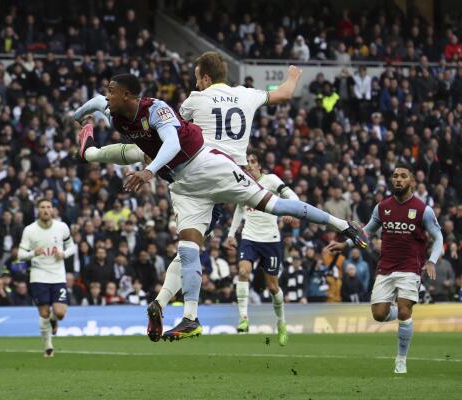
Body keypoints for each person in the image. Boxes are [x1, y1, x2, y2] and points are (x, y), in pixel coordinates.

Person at [74, 68, 366, 342]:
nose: (107, 95)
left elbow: (173, 144)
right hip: (184, 187)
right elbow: (97, 102)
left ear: (126, 94)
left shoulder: (156, 108)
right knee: (187, 249)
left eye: (112, 90)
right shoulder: (116, 110)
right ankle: (190, 318)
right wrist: (78, 116)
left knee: (274, 205)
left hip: (207, 165)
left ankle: (342, 225)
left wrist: (149, 171)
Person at [326, 163, 443, 374]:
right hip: (386, 267)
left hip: (410, 267)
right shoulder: (382, 207)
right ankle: (400, 314)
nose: (398, 179)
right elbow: (367, 233)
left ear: (411, 182)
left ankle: (401, 359)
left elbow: (438, 237)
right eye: (395, 176)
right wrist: (345, 244)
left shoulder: (422, 209)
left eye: (403, 176)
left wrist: (432, 261)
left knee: (405, 309)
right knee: (379, 315)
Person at [225, 152, 298, 344]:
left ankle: (281, 323)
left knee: (273, 287)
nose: (249, 165)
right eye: (247, 162)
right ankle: (243, 318)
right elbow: (239, 210)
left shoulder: (272, 180)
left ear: (260, 166)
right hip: (249, 237)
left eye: (253, 162)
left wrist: (292, 209)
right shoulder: (242, 183)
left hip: (271, 240)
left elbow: (291, 195)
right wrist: (231, 235)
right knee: (243, 271)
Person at [18, 199, 77, 357]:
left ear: (53, 210)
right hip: (38, 275)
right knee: (43, 313)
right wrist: (32, 254)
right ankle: (48, 346)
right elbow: (20, 254)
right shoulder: (30, 230)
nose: (45, 210)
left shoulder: (62, 227)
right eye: (42, 207)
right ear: (38, 210)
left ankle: (54, 319)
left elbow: (73, 246)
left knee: (60, 313)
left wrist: (63, 254)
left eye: (48, 207)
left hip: (58, 275)